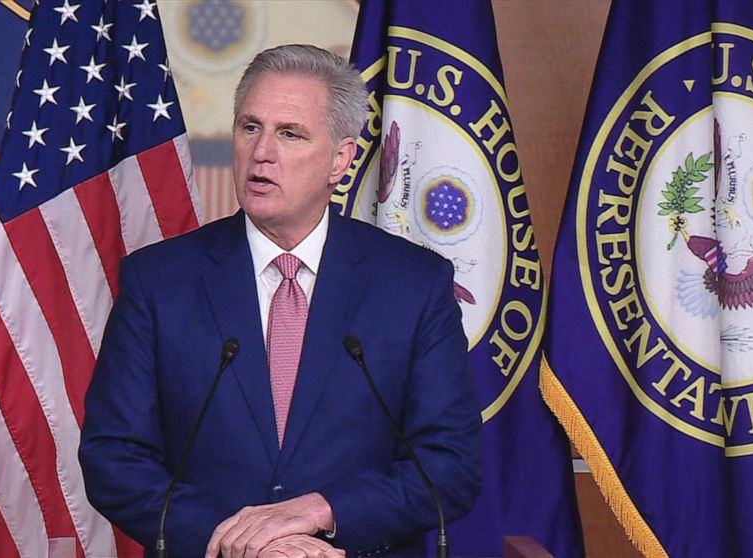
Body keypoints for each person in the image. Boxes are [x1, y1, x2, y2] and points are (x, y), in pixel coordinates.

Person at [79, 44, 480, 558]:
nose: (261, 151)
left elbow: (449, 464)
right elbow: (113, 456)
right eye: (250, 127)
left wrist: (321, 512)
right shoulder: (158, 280)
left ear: (341, 159)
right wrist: (242, 541)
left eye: (289, 134)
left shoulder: (414, 284)